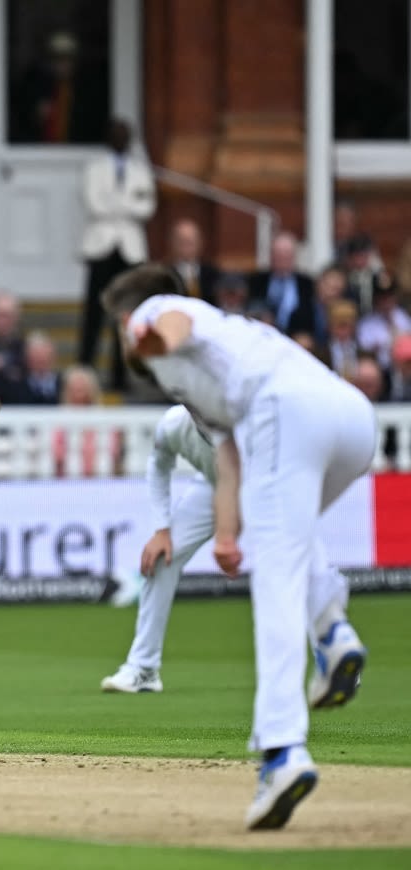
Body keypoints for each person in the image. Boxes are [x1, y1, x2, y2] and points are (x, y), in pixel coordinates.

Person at [102, 264, 373, 831]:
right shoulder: (210, 372)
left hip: (283, 411)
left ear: (127, 317)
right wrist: (226, 536)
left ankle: (282, 752)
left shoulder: (159, 317)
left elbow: (170, 323)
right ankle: (332, 631)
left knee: (275, 579)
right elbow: (230, 461)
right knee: (288, 542)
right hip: (349, 419)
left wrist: (146, 339)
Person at [78, 118, 155, 391]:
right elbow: (93, 203)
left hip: (130, 250)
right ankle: (84, 372)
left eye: (125, 135)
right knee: (94, 312)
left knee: (126, 315)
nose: (120, 140)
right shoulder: (95, 169)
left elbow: (147, 208)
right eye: (116, 135)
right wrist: (128, 204)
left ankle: (120, 377)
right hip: (101, 247)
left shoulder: (140, 170)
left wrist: (117, 204)